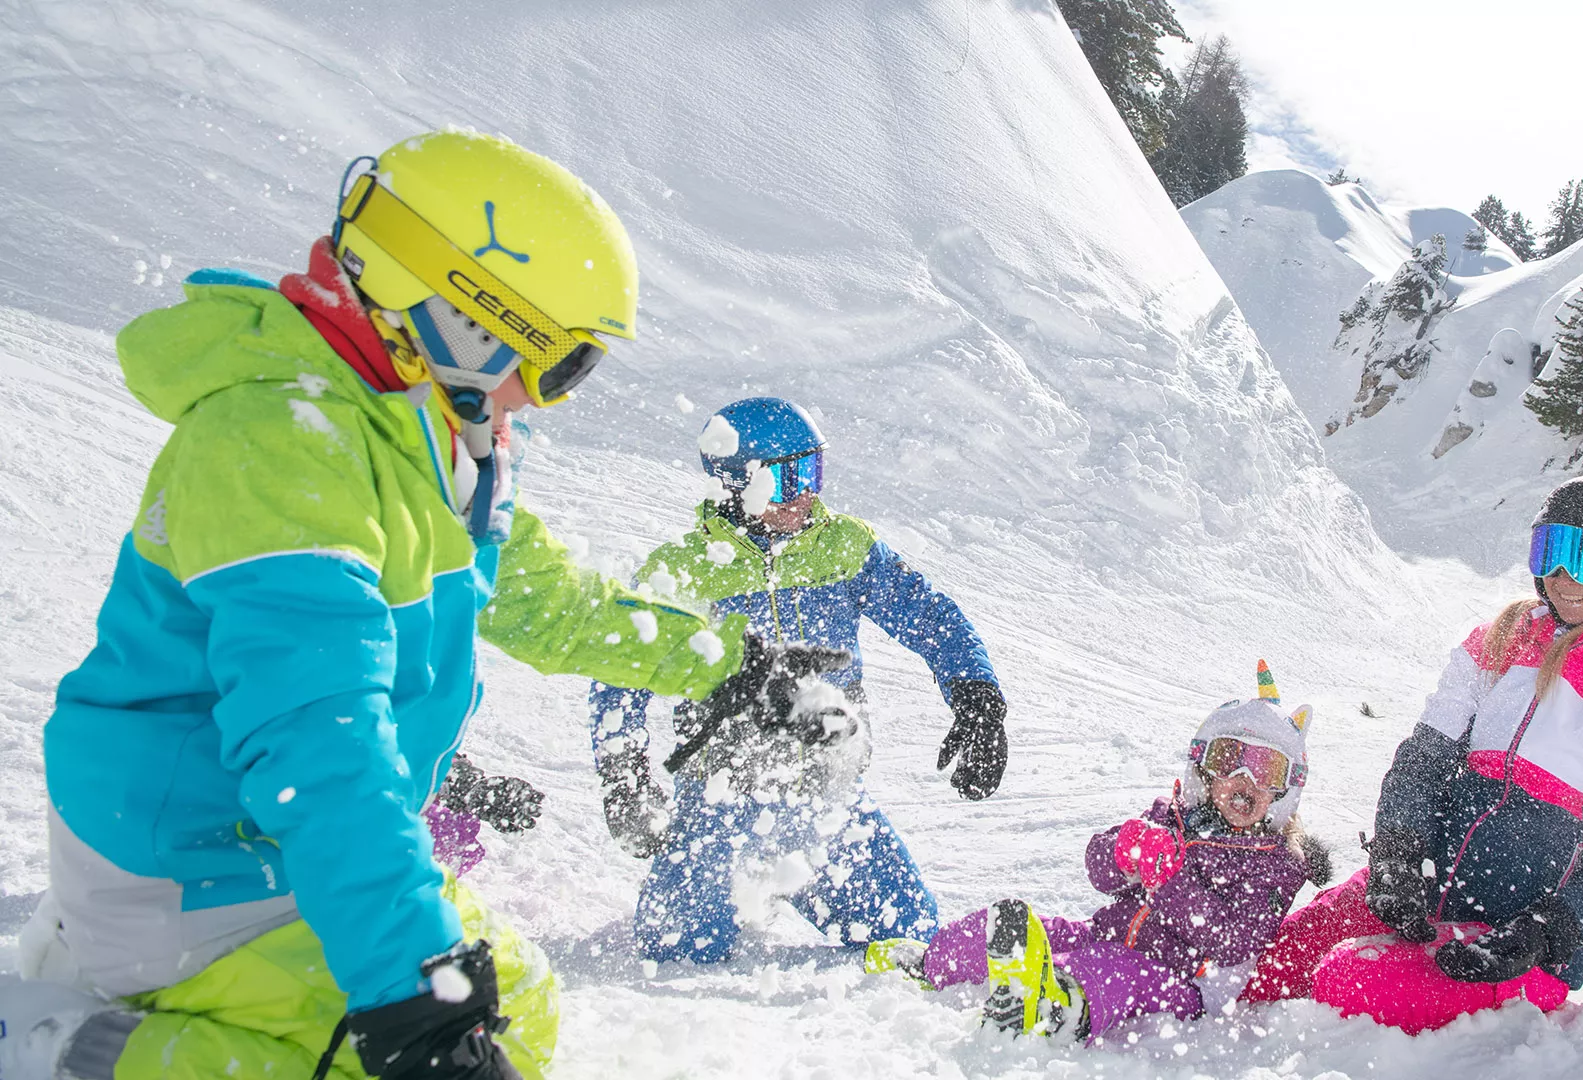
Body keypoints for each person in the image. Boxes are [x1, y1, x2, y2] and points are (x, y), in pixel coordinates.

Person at [0, 131, 837, 1080]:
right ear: (459, 317)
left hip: (286, 837)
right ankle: (66, 1051)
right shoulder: (284, 444)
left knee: (515, 1009)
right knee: (366, 1059)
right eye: (556, 363)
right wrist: (412, 998)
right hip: (193, 862)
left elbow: (551, 601)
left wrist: (730, 666)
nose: (542, 396)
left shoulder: (432, 435)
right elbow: (322, 749)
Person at [1240, 476, 1583, 1034]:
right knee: (1278, 962)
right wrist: (1397, 854)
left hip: (1515, 939)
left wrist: (1547, 929)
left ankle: (1517, 980)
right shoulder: (1499, 643)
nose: (1562, 577)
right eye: (1550, 551)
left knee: (1346, 983)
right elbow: (1424, 761)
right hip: (1428, 885)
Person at [588, 396, 1009, 963]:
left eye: (813, 470)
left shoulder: (843, 548)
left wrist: (976, 697)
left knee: (915, 944)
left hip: (827, 802)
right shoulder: (684, 571)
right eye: (791, 476)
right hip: (720, 807)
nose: (807, 491)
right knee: (673, 955)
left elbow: (930, 616)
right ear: (742, 483)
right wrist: (625, 777)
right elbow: (617, 679)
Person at [868, 664, 1331, 1043]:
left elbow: (1234, 940)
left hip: (1180, 981)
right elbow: (1098, 870)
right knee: (1037, 931)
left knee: (1109, 972)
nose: (1245, 779)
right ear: (1204, 767)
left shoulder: (1275, 865)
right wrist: (1125, 848)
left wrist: (1169, 882)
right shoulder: (1171, 818)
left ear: (1286, 789)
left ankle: (1057, 1005)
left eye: (1267, 766)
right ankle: (935, 959)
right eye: (1230, 759)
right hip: (1103, 931)